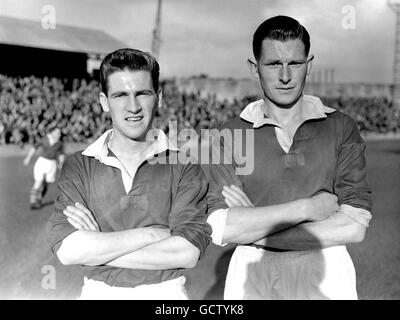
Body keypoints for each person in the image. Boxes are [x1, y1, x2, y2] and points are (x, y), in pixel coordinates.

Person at [205, 15, 372, 300]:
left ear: (309, 64)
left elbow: (354, 226)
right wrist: (308, 207)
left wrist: (255, 226)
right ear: (254, 68)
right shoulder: (229, 133)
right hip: (252, 275)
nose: (285, 76)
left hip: (327, 273)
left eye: (294, 63)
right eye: (272, 64)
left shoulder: (340, 127)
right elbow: (221, 226)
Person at [46, 48, 211, 299]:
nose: (133, 106)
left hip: (165, 294)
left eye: (142, 93)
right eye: (120, 95)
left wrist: (98, 245)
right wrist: (150, 234)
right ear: (104, 102)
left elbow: (186, 253)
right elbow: (68, 250)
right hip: (98, 292)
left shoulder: (184, 166)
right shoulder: (79, 165)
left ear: (159, 97)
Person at [24, 126, 65, 209]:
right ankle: (32, 202)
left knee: (47, 183)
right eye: (57, 132)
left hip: (52, 164)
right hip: (42, 162)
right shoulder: (44, 139)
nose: (59, 134)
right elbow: (34, 148)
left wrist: (61, 164)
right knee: (38, 181)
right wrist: (28, 158)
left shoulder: (60, 143)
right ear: (52, 132)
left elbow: (61, 154)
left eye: (59, 133)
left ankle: (39, 199)